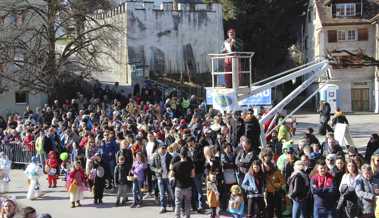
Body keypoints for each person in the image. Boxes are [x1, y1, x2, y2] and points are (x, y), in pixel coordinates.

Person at [150, 142, 173, 213]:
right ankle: (163, 207)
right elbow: (151, 167)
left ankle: (173, 205)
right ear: (159, 148)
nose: (164, 150)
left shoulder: (169, 156)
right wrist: (157, 170)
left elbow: (173, 166)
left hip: (168, 177)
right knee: (162, 193)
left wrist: (171, 172)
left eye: (165, 148)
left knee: (171, 193)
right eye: (162, 148)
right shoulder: (155, 156)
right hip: (160, 177)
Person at [172, 147, 194, 218]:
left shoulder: (175, 165)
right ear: (186, 155)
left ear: (180, 155)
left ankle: (177, 216)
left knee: (178, 203)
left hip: (178, 186)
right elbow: (193, 175)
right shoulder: (190, 164)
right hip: (188, 186)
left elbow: (171, 175)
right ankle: (187, 216)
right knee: (187, 203)